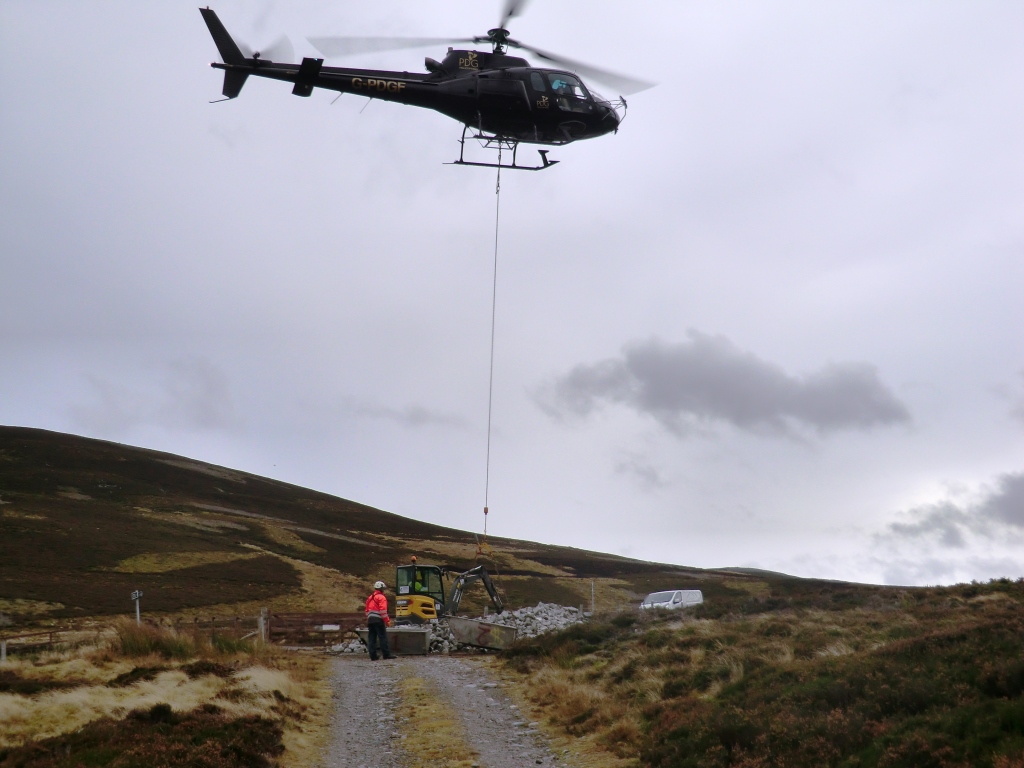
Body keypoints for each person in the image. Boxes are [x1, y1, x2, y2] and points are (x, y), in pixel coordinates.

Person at [365, 580, 394, 660]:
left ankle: (373, 656)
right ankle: (386, 654)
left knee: (371, 638)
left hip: (370, 620)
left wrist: (369, 618)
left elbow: (367, 610)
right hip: (378, 620)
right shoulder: (381, 597)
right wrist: (387, 620)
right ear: (382, 589)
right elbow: (383, 611)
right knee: (382, 637)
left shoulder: (370, 598)